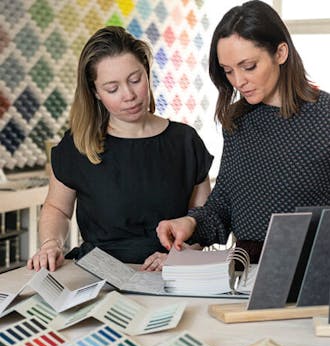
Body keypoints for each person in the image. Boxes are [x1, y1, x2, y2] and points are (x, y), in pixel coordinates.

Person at [27, 26, 213, 272]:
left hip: (168, 272)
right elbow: (57, 208)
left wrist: (185, 255)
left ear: (147, 73)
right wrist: (51, 244)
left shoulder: (185, 141)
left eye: (135, 80)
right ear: (95, 92)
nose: (129, 95)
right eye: (112, 89)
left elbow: (204, 218)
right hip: (96, 272)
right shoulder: (78, 144)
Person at [157, 0, 330, 263]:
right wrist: (190, 223)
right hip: (244, 273)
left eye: (248, 66)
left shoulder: (324, 116)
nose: (238, 81)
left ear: (280, 53)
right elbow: (224, 204)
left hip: (314, 275)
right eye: (228, 71)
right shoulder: (237, 121)